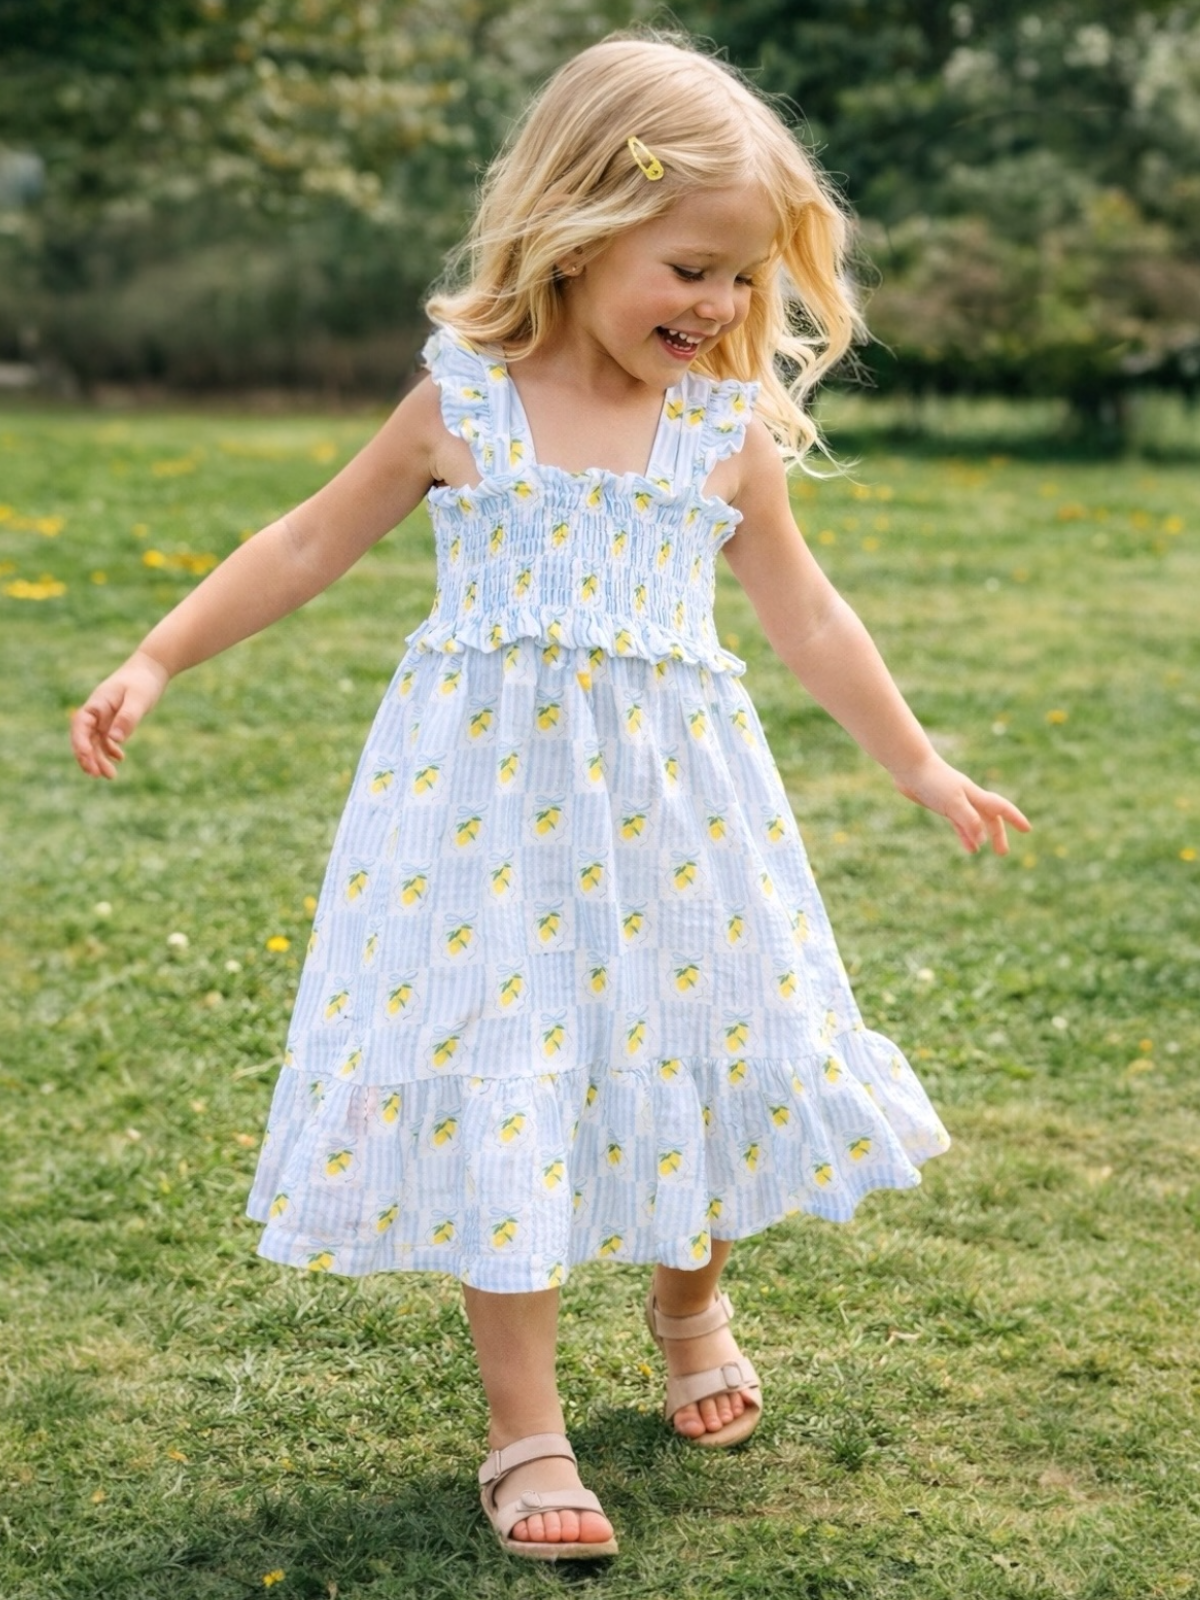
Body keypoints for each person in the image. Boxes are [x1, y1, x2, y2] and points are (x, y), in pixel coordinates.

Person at [71, 32, 1030, 1563]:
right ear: (579, 228)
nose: (718, 308)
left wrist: (917, 762)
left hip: (677, 814)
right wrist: (159, 654)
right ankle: (526, 1432)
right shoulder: (464, 405)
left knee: (693, 1039)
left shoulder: (721, 438)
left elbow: (811, 618)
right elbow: (308, 544)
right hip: (481, 822)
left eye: (742, 281)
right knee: (505, 1065)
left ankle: (690, 1300)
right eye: (692, 267)